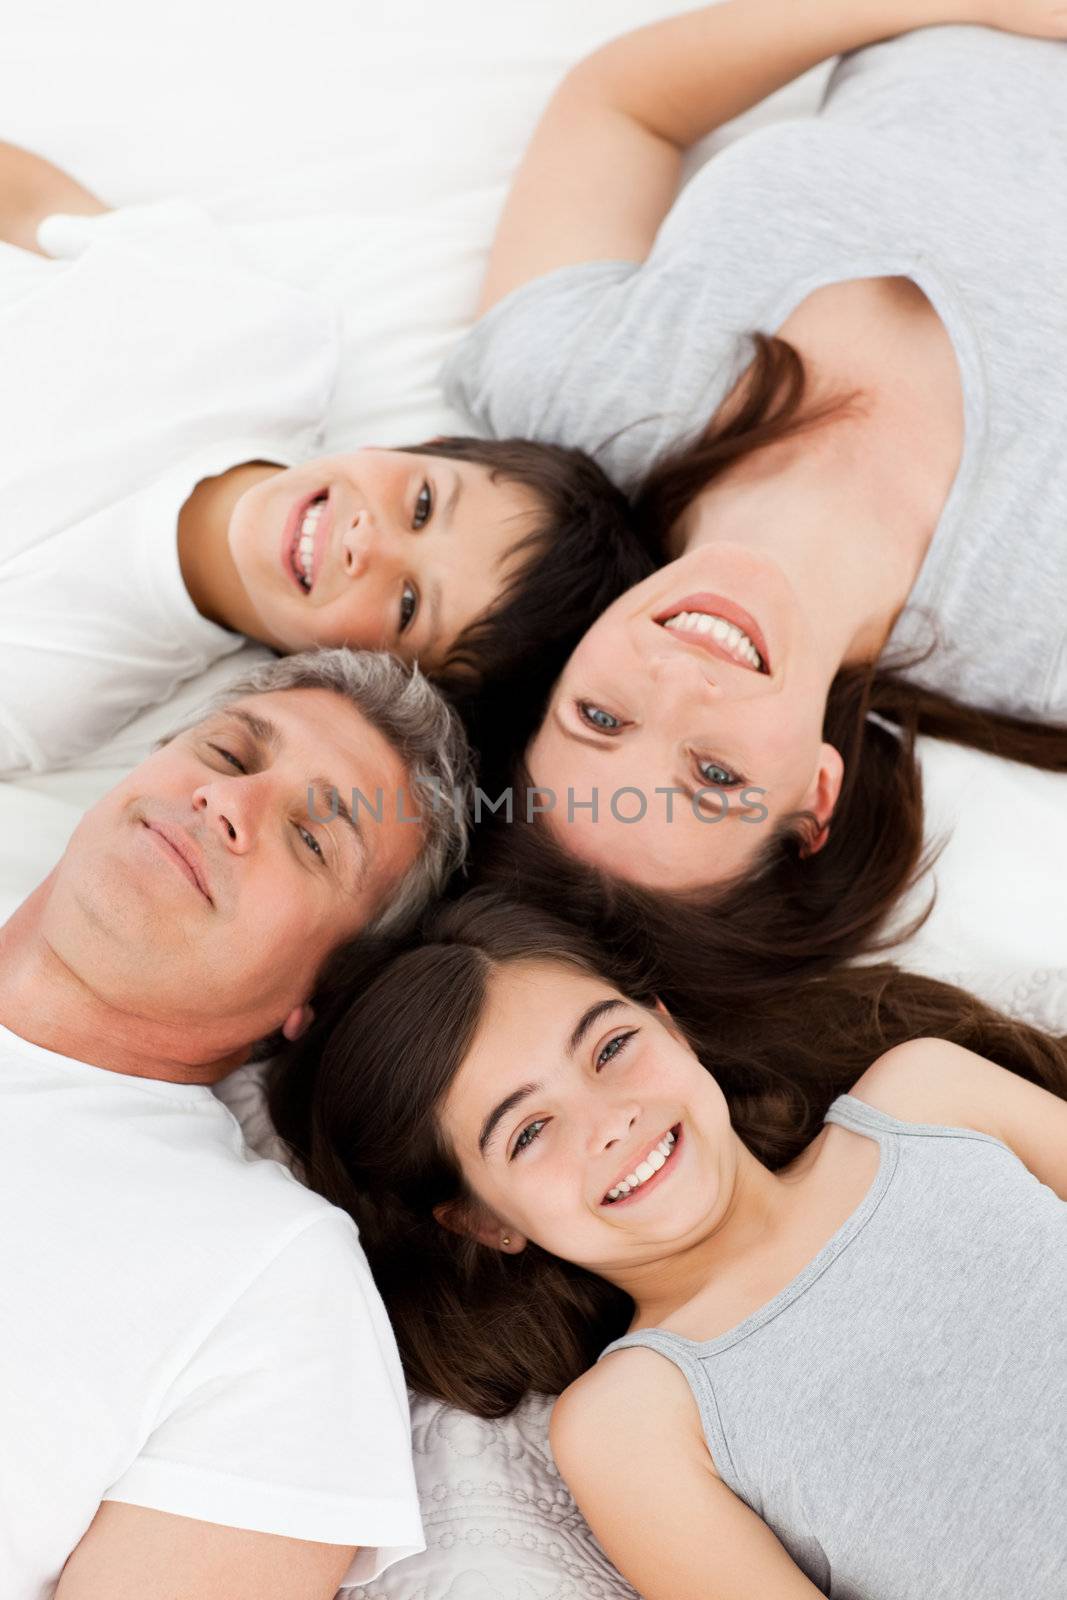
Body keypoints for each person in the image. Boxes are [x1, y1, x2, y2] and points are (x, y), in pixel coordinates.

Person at [444, 3, 1067, 961]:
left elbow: (617, 109)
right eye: (716, 774)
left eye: (600, 716)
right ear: (814, 796)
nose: (680, 684)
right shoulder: (1045, 640)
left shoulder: (577, 391)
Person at [270, 893, 1067, 1600]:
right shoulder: (631, 1422)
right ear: (485, 1222)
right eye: (531, 1131)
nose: (610, 1119)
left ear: (669, 1025)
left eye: (610, 1048)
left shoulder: (924, 1098)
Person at [0, 648, 468, 1599]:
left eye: (311, 839)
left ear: (317, 994)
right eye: (225, 753)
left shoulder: (278, 1289)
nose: (230, 803)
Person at [0, 140, 650, 775]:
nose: (369, 542)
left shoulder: (59, 685)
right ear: (423, 448)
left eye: (407, 605)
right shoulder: (265, 336)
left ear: (368, 677)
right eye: (422, 505)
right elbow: (35, 205)